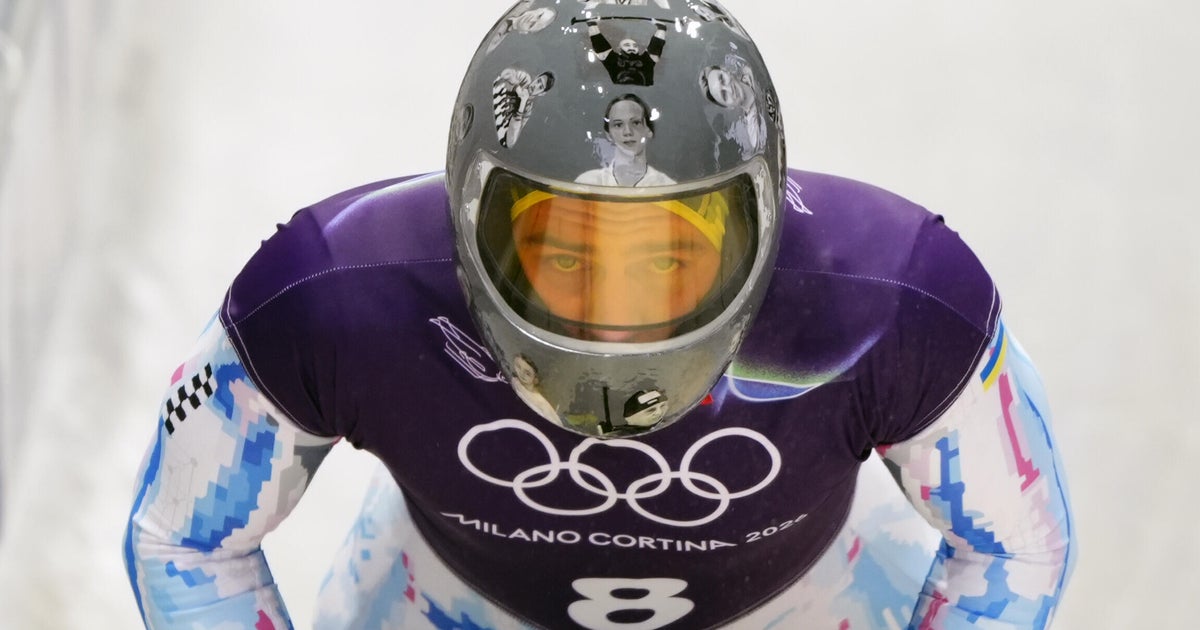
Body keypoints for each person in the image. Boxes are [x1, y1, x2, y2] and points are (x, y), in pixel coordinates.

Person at [124, 1, 1075, 629]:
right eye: (566, 256)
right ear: (469, 217)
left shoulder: (331, 290)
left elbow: (187, 539)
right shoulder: (900, 298)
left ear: (763, 223)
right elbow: (1016, 543)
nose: (616, 320)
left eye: (665, 260)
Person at [575, 93, 676, 186]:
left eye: (636, 123)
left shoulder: (666, 186)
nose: (628, 132)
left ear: (649, 130)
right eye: (618, 125)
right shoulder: (587, 183)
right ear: (608, 135)